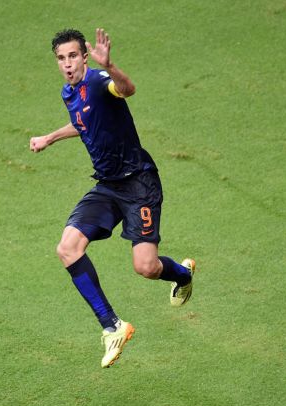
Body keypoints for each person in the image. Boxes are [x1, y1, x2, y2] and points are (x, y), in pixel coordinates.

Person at [29, 28, 195, 368]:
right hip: (107, 186)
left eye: (73, 56)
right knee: (67, 248)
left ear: (85, 56)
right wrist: (51, 137)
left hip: (139, 184)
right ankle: (112, 326)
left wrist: (112, 65)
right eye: (61, 58)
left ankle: (183, 275)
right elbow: (83, 122)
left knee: (145, 267)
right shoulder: (69, 93)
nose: (68, 64)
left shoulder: (101, 79)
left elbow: (127, 89)